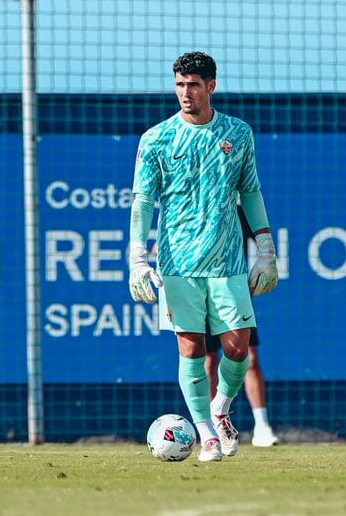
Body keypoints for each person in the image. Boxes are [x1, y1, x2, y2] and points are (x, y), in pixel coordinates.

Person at [127, 51, 279, 462]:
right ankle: (206, 434)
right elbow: (143, 201)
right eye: (179, 84)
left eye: (193, 84)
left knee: (238, 347)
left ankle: (220, 407)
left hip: (227, 261)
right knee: (191, 349)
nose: (185, 93)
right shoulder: (157, 138)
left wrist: (265, 248)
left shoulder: (237, 133)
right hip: (178, 264)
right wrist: (138, 257)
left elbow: (250, 192)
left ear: (211, 85)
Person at [203, 207, 280, 448]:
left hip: (233, 291)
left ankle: (262, 426)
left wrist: (263, 263)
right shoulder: (194, 208)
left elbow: (261, 240)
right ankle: (212, 426)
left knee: (249, 357)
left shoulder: (235, 210)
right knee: (207, 360)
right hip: (200, 292)